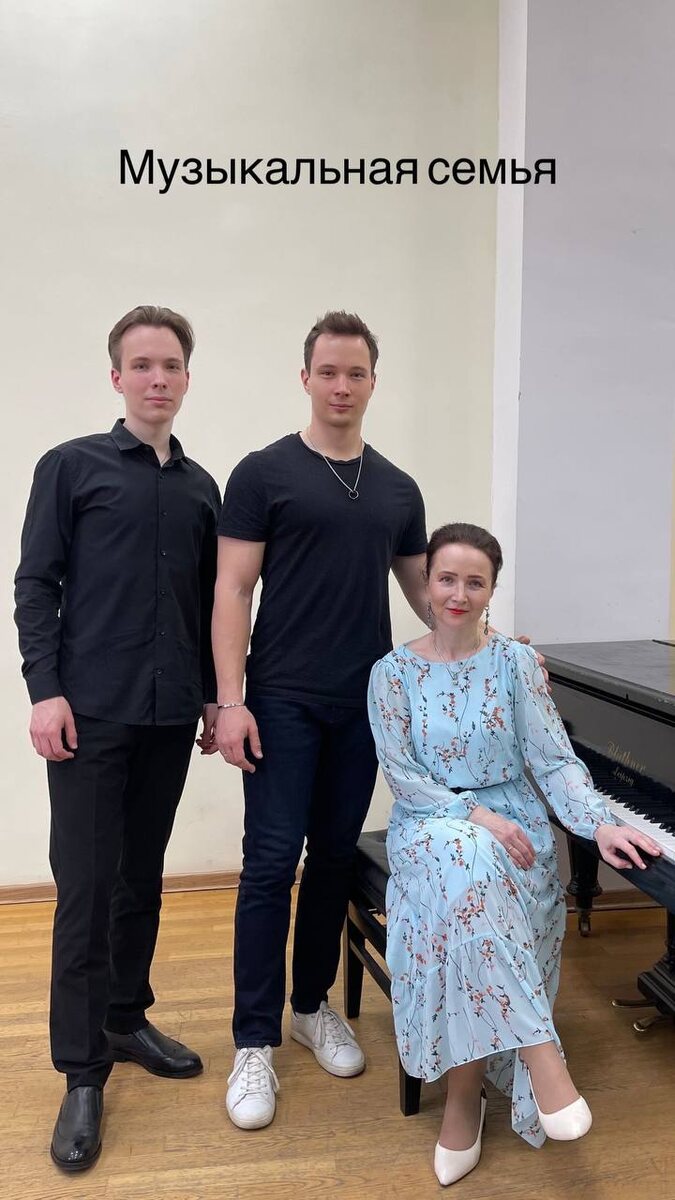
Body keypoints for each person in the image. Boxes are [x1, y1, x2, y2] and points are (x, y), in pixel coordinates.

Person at [367, 522, 661, 1187]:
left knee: (477, 878)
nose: (458, 593)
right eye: (447, 578)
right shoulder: (391, 674)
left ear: (491, 591)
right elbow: (404, 777)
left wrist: (597, 826)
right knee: (470, 858)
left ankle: (464, 1098)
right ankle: (536, 1049)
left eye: (474, 582)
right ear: (425, 582)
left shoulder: (515, 664)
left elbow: (553, 762)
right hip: (431, 824)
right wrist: (477, 816)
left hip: (516, 828)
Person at [14, 306, 221, 1172]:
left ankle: (126, 1019)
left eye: (170, 365)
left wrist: (213, 700)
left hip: (169, 716)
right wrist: (45, 692)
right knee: (86, 890)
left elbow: (208, 606)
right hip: (89, 716)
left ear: (186, 377)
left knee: (142, 880)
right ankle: (81, 1071)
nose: (157, 378)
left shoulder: (202, 489)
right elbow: (36, 584)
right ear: (117, 377)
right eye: (142, 365)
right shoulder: (71, 467)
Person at [212, 311, 430, 1129]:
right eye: (328, 372)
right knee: (270, 863)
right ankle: (252, 1041)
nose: (342, 386)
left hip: (361, 704)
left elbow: (426, 594)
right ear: (305, 378)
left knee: (333, 857)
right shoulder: (263, 473)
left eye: (356, 373)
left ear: (373, 382)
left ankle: (308, 1007)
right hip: (279, 699)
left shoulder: (397, 488)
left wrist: (494, 644)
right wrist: (230, 700)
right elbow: (232, 589)